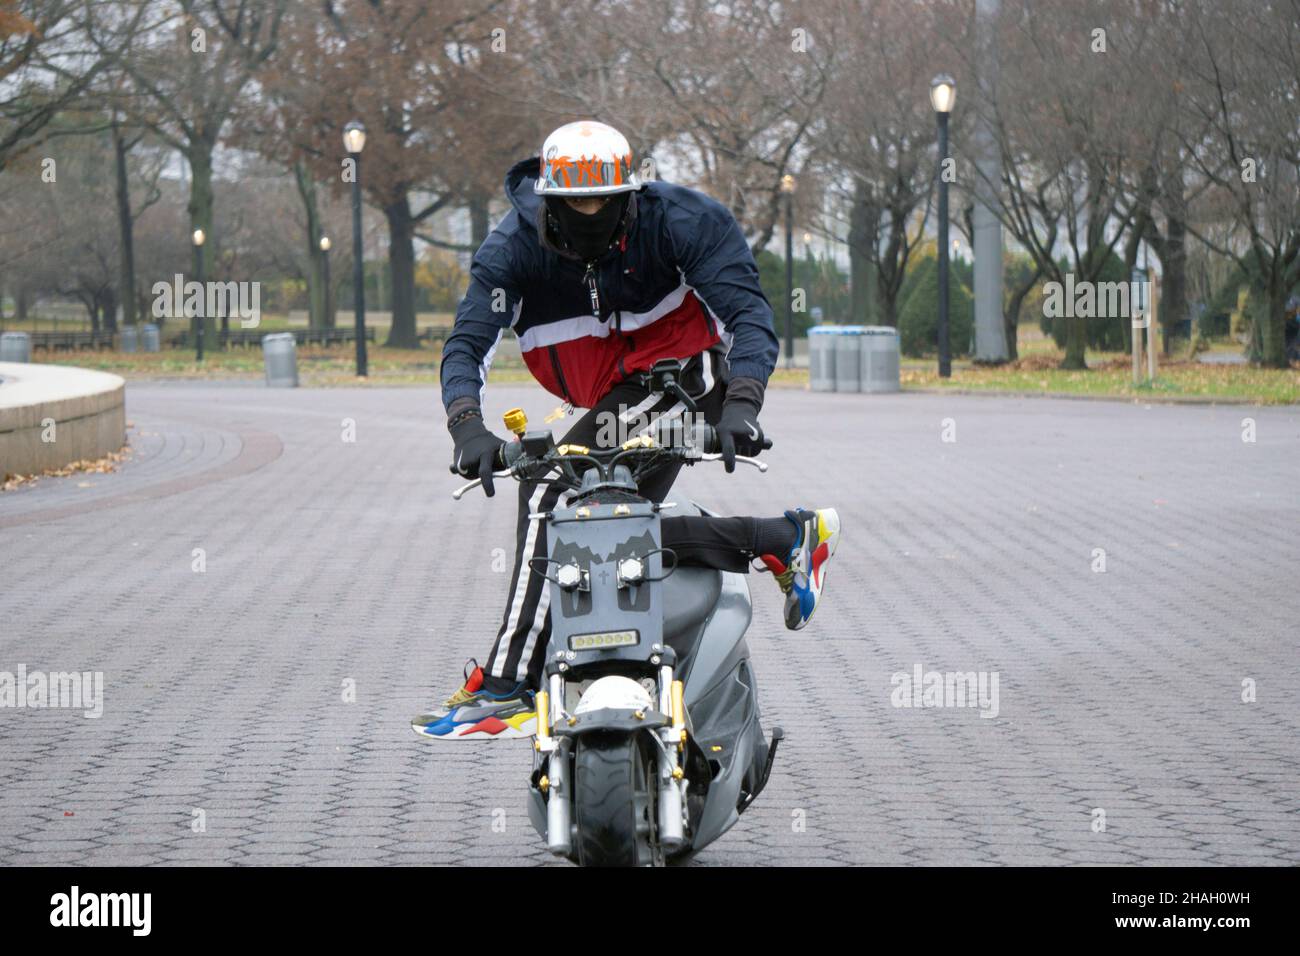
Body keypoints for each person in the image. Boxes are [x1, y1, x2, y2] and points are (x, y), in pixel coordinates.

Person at [412, 121, 841, 741]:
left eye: (605, 204)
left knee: (551, 495)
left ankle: (507, 684)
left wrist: (742, 406)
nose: (590, 216)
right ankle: (785, 537)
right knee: (603, 527)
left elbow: (749, 318)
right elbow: (466, 345)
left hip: (682, 377)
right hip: (609, 395)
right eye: (574, 205)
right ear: (549, 202)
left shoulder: (683, 223)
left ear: (630, 196)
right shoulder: (512, 249)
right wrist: (465, 426)